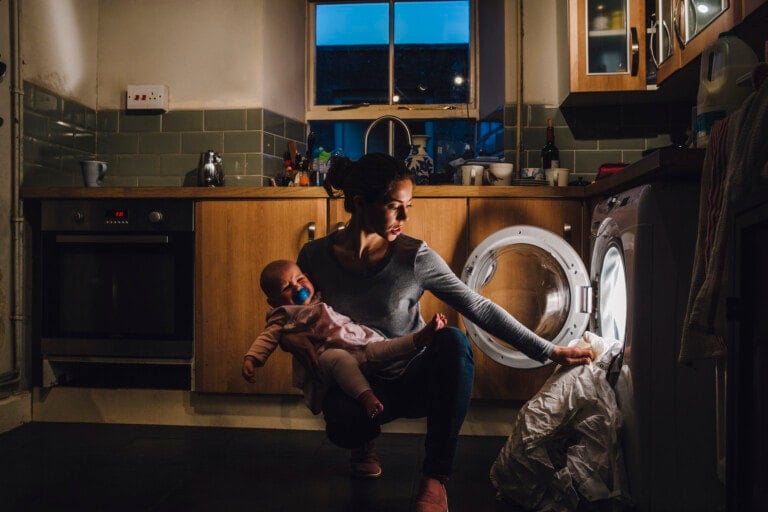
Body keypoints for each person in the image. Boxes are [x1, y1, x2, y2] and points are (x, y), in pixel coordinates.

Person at [281, 153, 595, 512]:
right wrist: (287, 337)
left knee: (453, 342)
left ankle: (434, 480)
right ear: (358, 204)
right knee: (342, 426)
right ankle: (362, 441)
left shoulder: (414, 257)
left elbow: (477, 306)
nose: (405, 217)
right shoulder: (314, 256)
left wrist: (549, 351)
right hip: (358, 384)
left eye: (408, 206)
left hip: (414, 378)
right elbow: (291, 313)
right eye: (393, 206)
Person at [242, 259, 448, 418]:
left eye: (300, 279)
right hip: (326, 354)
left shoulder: (319, 297)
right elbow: (268, 337)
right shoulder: (282, 313)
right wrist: (252, 358)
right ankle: (366, 396)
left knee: (381, 347)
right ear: (273, 301)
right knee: (340, 360)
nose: (297, 288)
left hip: (355, 340)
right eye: (287, 288)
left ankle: (418, 340)